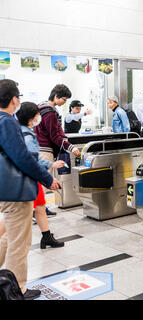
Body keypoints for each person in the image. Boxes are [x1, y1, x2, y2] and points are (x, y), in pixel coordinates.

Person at [0, 79, 61, 300]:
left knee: (9, 237)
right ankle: (17, 290)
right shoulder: (6, 121)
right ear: (14, 99)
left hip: (5, 189)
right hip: (15, 190)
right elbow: (23, 157)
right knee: (19, 242)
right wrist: (46, 178)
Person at [15, 102, 66, 249]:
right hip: (28, 179)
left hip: (28, 178)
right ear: (32, 117)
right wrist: (49, 178)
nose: (39, 117)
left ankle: (46, 236)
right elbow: (31, 161)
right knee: (22, 214)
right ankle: (44, 237)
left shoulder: (22, 131)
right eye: (37, 114)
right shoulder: (28, 136)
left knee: (40, 207)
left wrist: (51, 165)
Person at [35, 84, 81, 216]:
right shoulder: (50, 113)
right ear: (56, 96)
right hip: (45, 150)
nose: (64, 102)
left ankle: (41, 207)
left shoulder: (41, 107)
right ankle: (39, 209)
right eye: (64, 99)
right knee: (44, 180)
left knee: (42, 180)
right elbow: (54, 136)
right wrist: (70, 147)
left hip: (39, 147)